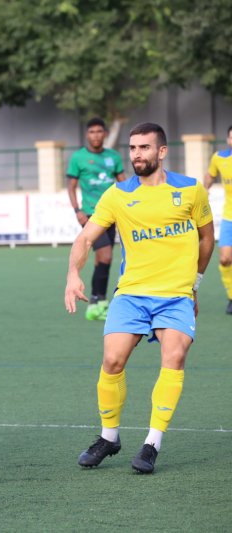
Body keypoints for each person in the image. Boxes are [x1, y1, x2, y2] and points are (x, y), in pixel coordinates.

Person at [65, 122, 214, 474]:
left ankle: (152, 443)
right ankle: (109, 437)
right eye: (133, 148)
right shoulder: (118, 194)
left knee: (173, 357)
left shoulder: (191, 190)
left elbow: (207, 238)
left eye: (144, 148)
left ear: (161, 151)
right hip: (131, 294)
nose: (137, 155)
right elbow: (85, 239)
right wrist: (73, 274)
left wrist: (195, 283)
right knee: (112, 361)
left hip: (175, 296)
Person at [67, 117, 126, 320]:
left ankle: (99, 302)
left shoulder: (113, 157)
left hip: (114, 214)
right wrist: (77, 210)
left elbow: (123, 183)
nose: (96, 135)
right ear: (87, 135)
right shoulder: (78, 158)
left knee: (103, 259)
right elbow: (71, 186)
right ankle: (95, 301)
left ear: (105, 134)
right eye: (92, 132)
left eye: (99, 131)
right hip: (92, 214)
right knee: (106, 255)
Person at [203, 125, 232, 314]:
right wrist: (203, 192)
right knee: (224, 259)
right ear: (228, 139)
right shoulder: (219, 158)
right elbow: (210, 176)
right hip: (229, 217)